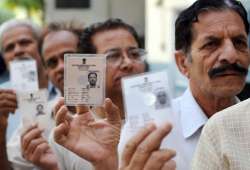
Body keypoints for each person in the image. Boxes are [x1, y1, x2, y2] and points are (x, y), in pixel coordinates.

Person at [51, 18, 175, 170]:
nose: (128, 63)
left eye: (134, 54)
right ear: (89, 68)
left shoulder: (168, 121)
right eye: (113, 56)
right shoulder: (69, 135)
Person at [163, 0, 249, 169]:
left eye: (239, 42)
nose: (231, 56)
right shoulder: (151, 132)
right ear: (182, 63)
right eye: (212, 44)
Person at [6, 22, 83, 170]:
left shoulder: (118, 110)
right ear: (46, 70)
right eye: (52, 62)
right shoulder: (39, 116)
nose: (61, 66)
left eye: (69, 56)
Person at [0, 19, 51, 170]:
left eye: (24, 42)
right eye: (9, 48)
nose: (17, 51)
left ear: (42, 48)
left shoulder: (64, 90)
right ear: (4, 58)